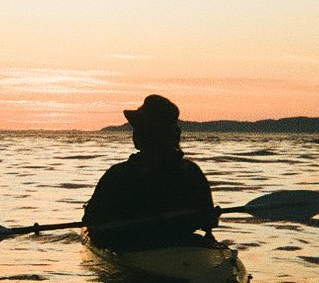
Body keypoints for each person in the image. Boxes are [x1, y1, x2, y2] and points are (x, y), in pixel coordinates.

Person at [83, 94, 218, 249]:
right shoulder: (191, 172)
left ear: (142, 136)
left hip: (135, 246)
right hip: (182, 246)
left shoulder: (120, 175)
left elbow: (91, 222)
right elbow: (210, 220)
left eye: (137, 129)